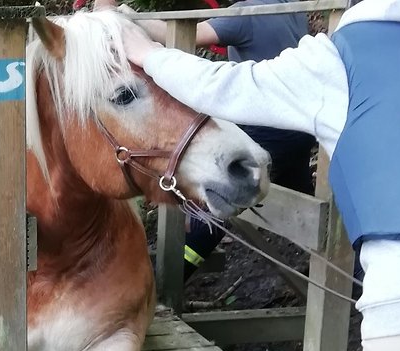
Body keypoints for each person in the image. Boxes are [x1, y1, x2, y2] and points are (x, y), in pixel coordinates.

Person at [118, 0, 400, 351]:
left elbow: (213, 71)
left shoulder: (312, 38)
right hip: (301, 140)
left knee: (218, 204)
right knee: (293, 211)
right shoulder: (292, 13)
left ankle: (159, 282)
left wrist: (135, 36)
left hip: (271, 130)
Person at [98, 0, 317, 279]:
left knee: (215, 203)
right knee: (308, 211)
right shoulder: (291, 10)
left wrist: (133, 23)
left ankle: (168, 279)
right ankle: (350, 268)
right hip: (299, 127)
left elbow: (192, 33)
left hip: (263, 126)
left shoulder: (245, 13)